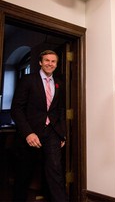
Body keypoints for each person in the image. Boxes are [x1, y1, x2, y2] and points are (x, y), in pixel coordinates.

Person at [11, 50, 67, 202]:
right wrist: (28, 133)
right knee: (24, 173)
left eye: (53, 61)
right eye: (47, 60)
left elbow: (60, 110)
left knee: (55, 172)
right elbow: (16, 109)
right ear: (40, 62)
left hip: (53, 133)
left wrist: (62, 134)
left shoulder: (59, 83)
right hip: (30, 133)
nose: (50, 63)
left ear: (56, 64)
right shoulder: (28, 80)